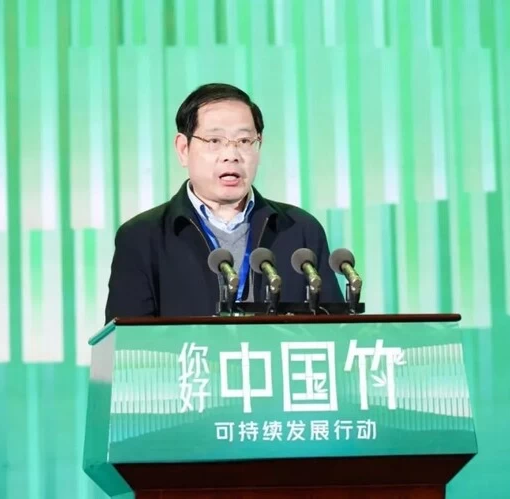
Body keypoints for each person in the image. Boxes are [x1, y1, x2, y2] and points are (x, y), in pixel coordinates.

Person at [104, 83, 343, 321]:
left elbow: (335, 330)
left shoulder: (299, 229)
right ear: (183, 149)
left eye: (244, 141)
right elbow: (128, 341)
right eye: (214, 141)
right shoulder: (141, 237)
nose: (231, 155)